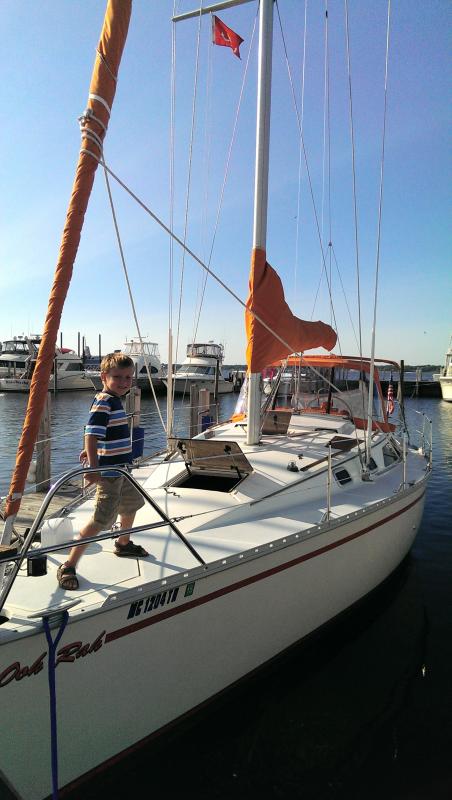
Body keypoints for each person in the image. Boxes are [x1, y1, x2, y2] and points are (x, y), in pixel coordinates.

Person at [57, 352, 148, 590]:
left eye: (128, 377)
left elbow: (99, 432)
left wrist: (89, 452)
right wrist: (93, 469)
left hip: (121, 470)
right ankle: (69, 564)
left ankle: (123, 543)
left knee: (132, 503)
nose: (124, 382)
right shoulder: (105, 401)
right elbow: (91, 433)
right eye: (117, 377)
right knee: (101, 519)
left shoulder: (113, 399)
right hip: (108, 474)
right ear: (104, 376)